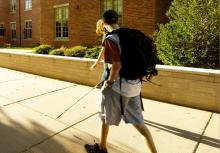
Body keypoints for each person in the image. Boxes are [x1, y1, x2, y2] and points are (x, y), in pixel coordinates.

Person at [85, 10, 158, 153]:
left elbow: (116, 66)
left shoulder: (111, 39)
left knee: (104, 116)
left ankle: (102, 148)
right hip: (135, 86)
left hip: (118, 87)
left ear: (104, 23)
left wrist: (109, 82)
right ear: (116, 21)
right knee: (139, 123)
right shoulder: (130, 35)